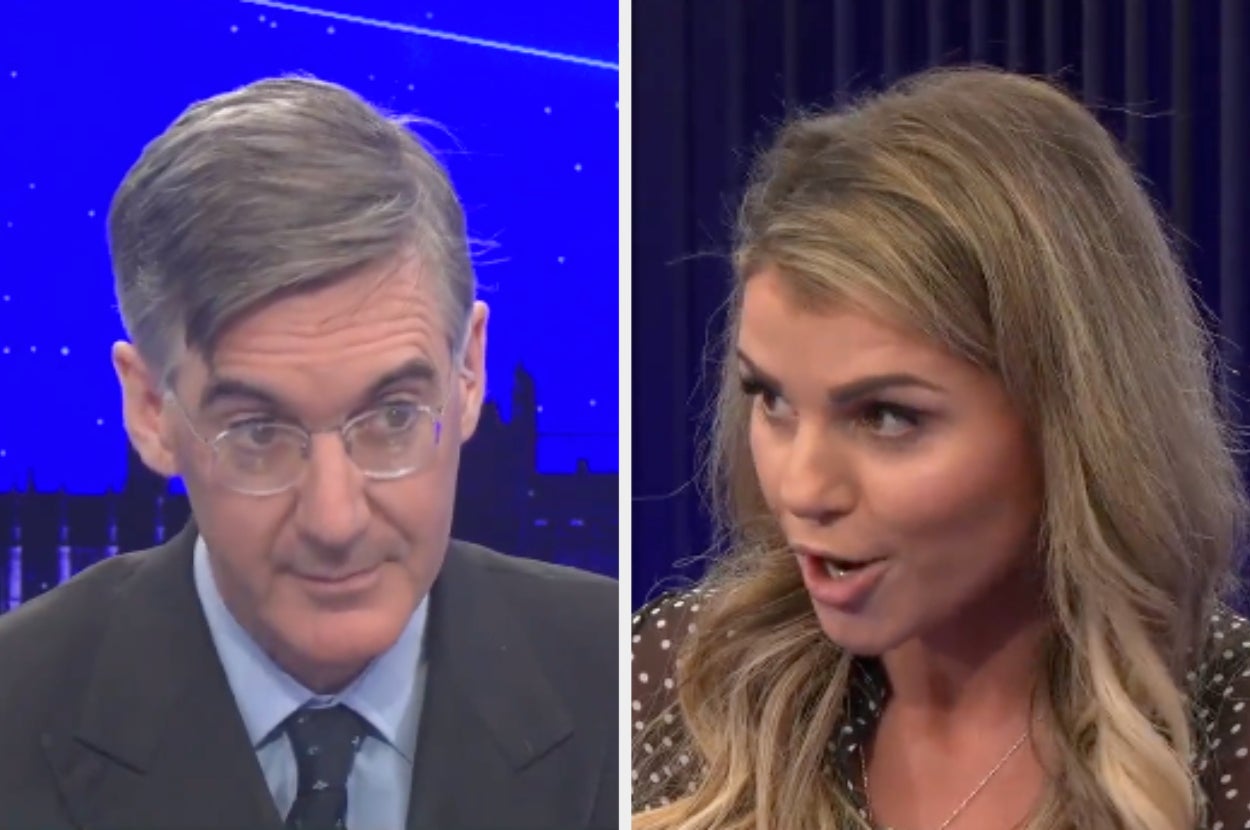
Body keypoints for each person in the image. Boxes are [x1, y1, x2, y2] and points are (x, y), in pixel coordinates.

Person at [632, 66, 1250, 830]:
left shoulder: (1229, 727)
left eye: (887, 417)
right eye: (774, 401)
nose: (801, 489)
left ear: (1071, 423)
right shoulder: (680, 677)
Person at [0, 75, 617, 830]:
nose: (335, 520)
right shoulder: (16, 711)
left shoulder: (623, 681)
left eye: (392, 416)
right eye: (259, 433)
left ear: (468, 374)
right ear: (151, 410)